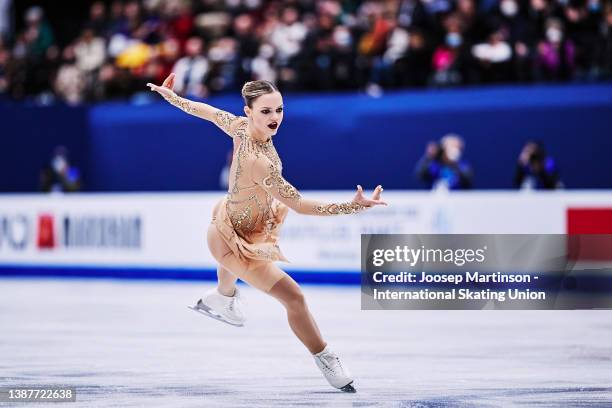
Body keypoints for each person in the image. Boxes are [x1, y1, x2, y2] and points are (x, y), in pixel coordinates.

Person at [146, 74, 386, 393]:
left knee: (232, 276)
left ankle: (222, 297)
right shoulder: (258, 161)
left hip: (237, 225)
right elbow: (299, 204)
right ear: (249, 112)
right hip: (231, 241)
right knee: (295, 298)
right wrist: (352, 207)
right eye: (266, 112)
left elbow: (202, 110)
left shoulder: (239, 126)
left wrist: (172, 97)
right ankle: (325, 357)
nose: (275, 118)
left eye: (279, 110)